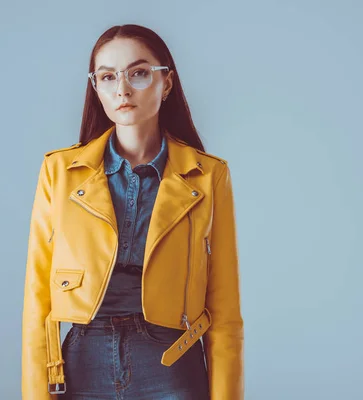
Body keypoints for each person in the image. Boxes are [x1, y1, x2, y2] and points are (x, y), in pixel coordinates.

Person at [21, 24, 244, 400]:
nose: (122, 89)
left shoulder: (208, 176)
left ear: (166, 83)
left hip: (172, 360)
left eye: (138, 73)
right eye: (107, 77)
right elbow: (36, 302)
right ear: (96, 88)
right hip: (81, 360)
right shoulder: (59, 172)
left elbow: (224, 312)